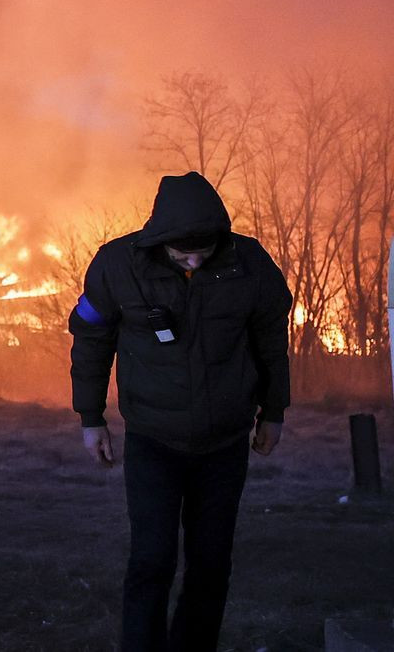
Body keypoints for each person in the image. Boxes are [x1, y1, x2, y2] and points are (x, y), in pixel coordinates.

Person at [69, 171, 292, 652]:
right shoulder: (118, 266)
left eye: (203, 250)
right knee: (152, 559)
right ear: (160, 239)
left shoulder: (249, 264)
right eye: (182, 252)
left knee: (211, 563)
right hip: (154, 441)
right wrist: (91, 418)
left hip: (224, 443)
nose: (193, 259)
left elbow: (272, 339)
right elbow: (90, 339)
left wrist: (273, 410)